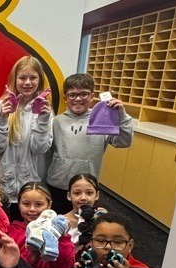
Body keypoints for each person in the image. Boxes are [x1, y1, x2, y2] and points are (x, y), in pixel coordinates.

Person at [46, 73, 133, 213]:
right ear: (65, 98)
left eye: (84, 94)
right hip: (58, 183)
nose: (78, 99)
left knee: (82, 225)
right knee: (57, 223)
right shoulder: (56, 121)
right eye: (72, 95)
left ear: (92, 96)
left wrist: (122, 116)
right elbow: (48, 153)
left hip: (86, 187)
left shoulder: (102, 120)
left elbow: (123, 142)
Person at [0, 55, 53, 220]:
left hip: (30, 187)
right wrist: (3, 118)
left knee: (28, 234)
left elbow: (39, 149)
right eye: (22, 77)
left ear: (40, 80)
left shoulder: (45, 109)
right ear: (14, 79)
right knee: (3, 229)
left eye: (33, 77)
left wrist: (43, 120)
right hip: (3, 185)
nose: (27, 82)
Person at [64, 173, 107, 252]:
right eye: (77, 193)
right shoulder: (61, 222)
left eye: (89, 193)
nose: (83, 198)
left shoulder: (102, 219)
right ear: (69, 196)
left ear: (97, 195)